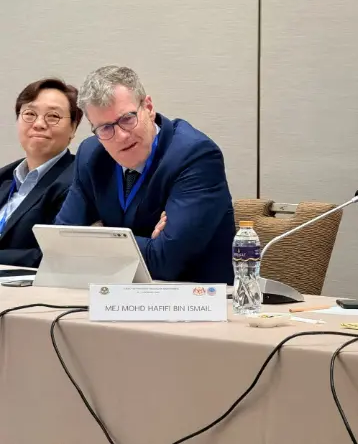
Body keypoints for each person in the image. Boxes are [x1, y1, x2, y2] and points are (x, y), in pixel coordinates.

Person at [55, 65, 236, 283]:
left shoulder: (195, 156)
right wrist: (138, 242)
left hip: (193, 296)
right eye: (105, 128)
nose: (121, 136)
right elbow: (60, 243)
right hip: (116, 293)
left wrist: (96, 235)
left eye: (127, 119)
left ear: (148, 108)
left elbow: (166, 261)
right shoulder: (91, 154)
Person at [0, 78, 83, 267]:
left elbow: (53, 255)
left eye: (53, 116)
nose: (39, 124)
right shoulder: (4, 177)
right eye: (30, 114)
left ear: (73, 128)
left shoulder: (77, 181)